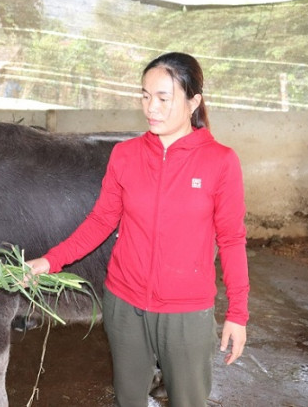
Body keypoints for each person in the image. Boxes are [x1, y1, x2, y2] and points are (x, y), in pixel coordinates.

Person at [26, 52, 249, 407]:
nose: (151, 108)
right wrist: (51, 261)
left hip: (186, 312)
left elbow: (232, 239)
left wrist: (237, 313)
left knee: (187, 400)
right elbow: (101, 221)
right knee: (128, 398)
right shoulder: (125, 155)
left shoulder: (220, 161)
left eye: (163, 98)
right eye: (145, 96)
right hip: (124, 305)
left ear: (194, 102)